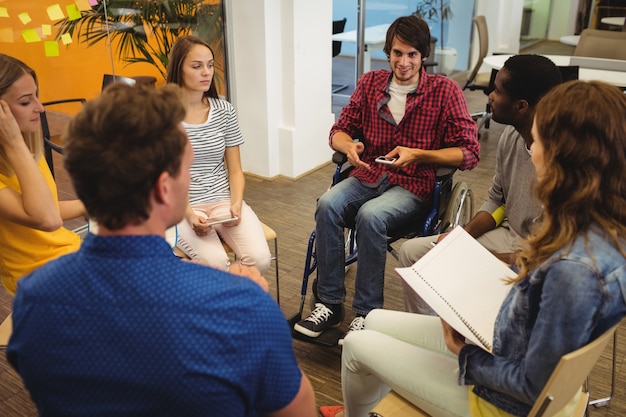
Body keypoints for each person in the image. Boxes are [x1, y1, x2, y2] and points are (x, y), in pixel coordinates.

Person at [7, 83, 316, 417]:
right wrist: (246, 306)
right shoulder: (241, 307)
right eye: (188, 170)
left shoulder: (32, 299)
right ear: (164, 189)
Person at [320, 80, 626, 417]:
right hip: (505, 342)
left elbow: (531, 387)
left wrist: (463, 353)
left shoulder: (575, 271)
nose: (531, 151)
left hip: (498, 401)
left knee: (357, 344)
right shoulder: (596, 232)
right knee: (373, 319)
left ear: (565, 155)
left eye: (537, 141)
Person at [294, 15, 479, 340]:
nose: (403, 62)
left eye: (411, 55)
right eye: (397, 53)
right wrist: (349, 145)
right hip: (369, 173)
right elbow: (338, 131)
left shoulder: (444, 91)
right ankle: (329, 303)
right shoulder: (370, 84)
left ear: (423, 56)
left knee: (371, 215)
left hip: (413, 184)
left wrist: (418, 154)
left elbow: (469, 152)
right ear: (388, 52)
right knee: (327, 204)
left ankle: (367, 313)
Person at [398, 54, 562, 314]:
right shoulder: (510, 136)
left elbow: (557, 255)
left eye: (497, 90)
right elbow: (498, 201)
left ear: (521, 106)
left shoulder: (565, 160)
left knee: (464, 270)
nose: (490, 95)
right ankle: (430, 332)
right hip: (508, 236)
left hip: (542, 257)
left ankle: (458, 338)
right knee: (412, 252)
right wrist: (460, 236)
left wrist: (483, 260)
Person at [166, 35, 271, 273]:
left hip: (223, 201)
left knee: (260, 259)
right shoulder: (163, 116)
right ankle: (222, 303)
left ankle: (228, 303)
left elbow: (235, 169)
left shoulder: (224, 111)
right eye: (196, 66)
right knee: (216, 265)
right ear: (178, 69)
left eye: (210, 65)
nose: (206, 72)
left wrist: (236, 204)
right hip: (183, 207)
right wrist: (189, 214)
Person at [0, 54, 84, 295]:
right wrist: (14, 143)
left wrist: (92, 205)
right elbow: (47, 219)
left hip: (69, 257)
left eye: (36, 96)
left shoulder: (27, 148)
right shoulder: (19, 151)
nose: (40, 107)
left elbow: (47, 207)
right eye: (26, 102)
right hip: (41, 284)